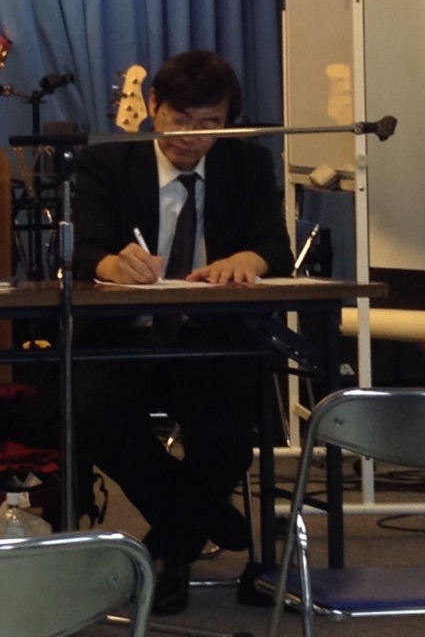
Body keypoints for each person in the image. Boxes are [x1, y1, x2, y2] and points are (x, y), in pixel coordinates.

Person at [71, 49, 290, 614]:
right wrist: (114, 265)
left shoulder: (247, 164)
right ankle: (203, 515)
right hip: (125, 337)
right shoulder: (108, 162)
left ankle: (169, 551)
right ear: (153, 106)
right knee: (90, 415)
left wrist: (247, 259)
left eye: (209, 124)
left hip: (209, 339)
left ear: (228, 121)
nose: (190, 137)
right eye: (178, 119)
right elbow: (85, 249)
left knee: (227, 435)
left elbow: (275, 247)